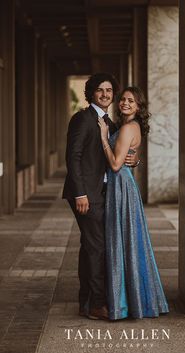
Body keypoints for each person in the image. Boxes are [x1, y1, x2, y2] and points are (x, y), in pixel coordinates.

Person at [62, 73, 139, 320]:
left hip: (104, 193)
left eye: (108, 90)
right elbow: (72, 157)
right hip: (87, 194)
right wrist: (80, 193)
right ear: (91, 93)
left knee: (90, 246)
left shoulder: (110, 123)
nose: (105, 94)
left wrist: (135, 159)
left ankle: (86, 301)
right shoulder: (82, 119)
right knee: (97, 247)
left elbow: (119, 151)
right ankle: (96, 304)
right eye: (99, 90)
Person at [98, 86, 169, 320]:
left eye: (131, 101)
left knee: (120, 240)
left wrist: (103, 139)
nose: (125, 103)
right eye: (123, 99)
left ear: (138, 107)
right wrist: (136, 160)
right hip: (126, 186)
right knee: (129, 240)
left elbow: (116, 165)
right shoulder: (132, 127)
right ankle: (133, 300)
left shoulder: (128, 127)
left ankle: (123, 304)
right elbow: (130, 157)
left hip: (120, 186)